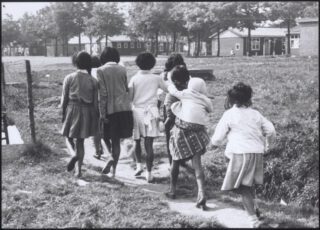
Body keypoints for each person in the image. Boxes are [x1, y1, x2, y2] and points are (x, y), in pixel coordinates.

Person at [211, 82, 276, 228]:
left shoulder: (229, 114)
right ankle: (256, 208)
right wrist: (268, 145)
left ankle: (253, 220)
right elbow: (271, 130)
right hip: (256, 152)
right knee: (250, 184)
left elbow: (217, 138)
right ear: (249, 97)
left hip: (239, 153)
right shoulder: (256, 114)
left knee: (243, 188)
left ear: (232, 99)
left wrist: (215, 143)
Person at [165, 66, 213, 211]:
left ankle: (173, 190)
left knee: (175, 161)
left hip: (182, 130)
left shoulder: (184, 93)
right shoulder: (204, 98)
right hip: (198, 131)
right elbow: (210, 109)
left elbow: (172, 91)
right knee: (197, 164)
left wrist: (170, 84)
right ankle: (201, 193)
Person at [128, 52, 168, 183]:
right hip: (151, 111)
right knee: (149, 144)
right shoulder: (156, 78)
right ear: (152, 64)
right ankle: (149, 173)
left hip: (137, 111)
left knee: (137, 141)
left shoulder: (134, 78)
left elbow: (130, 98)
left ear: (138, 63)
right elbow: (167, 89)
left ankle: (138, 166)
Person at [61, 51, 99, 178]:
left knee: (68, 137)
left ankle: (73, 155)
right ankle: (79, 171)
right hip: (87, 110)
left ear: (75, 63)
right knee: (80, 141)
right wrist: (95, 117)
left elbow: (64, 99)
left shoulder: (69, 77)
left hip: (72, 108)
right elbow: (95, 102)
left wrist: (63, 114)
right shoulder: (93, 81)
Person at [97, 47, 133, 178]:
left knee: (105, 137)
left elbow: (103, 93)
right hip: (124, 108)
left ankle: (110, 156)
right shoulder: (122, 69)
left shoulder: (100, 70)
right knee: (117, 141)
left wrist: (102, 113)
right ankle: (114, 171)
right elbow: (125, 88)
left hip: (109, 109)